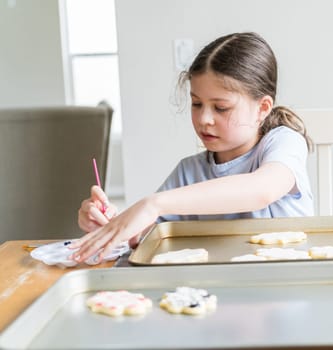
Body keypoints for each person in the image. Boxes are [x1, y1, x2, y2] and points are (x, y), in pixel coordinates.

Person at [72, 32, 314, 263]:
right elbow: (146, 237)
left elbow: (262, 190)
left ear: (262, 108)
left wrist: (152, 204)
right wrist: (112, 223)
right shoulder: (188, 172)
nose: (204, 119)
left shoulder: (284, 142)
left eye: (221, 108)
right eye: (197, 103)